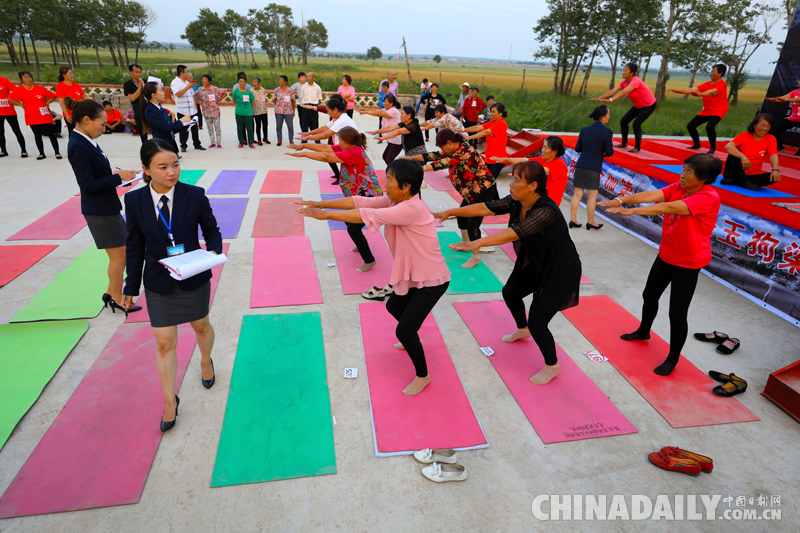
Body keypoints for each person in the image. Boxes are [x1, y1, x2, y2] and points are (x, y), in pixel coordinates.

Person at [297, 159, 449, 395]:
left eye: (390, 180)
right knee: (394, 308)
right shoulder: (396, 200)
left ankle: (423, 375)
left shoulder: (411, 209)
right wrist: (322, 202)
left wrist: (326, 214)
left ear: (406, 186)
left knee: (404, 330)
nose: (385, 184)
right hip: (412, 275)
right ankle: (412, 339)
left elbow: (364, 213)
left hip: (432, 279)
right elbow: (360, 201)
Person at [434, 161, 581, 385]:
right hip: (536, 260)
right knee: (511, 292)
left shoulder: (545, 211)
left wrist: (476, 243)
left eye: (516, 180)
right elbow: (486, 207)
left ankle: (552, 365)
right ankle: (523, 329)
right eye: (512, 178)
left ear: (532, 186)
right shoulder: (517, 200)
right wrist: (451, 211)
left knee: (539, 321)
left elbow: (514, 233)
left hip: (559, 268)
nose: (510, 184)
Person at [122, 139, 222, 432]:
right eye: (162, 167)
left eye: (175, 164)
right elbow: (134, 246)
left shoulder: (194, 194)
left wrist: (213, 252)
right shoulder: (134, 201)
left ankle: (206, 360)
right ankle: (169, 400)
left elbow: (212, 230)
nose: (171, 172)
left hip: (192, 274)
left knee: (201, 326)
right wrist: (131, 285)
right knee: (165, 342)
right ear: (146, 169)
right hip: (158, 281)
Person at [598, 153, 722, 376]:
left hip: (688, 262)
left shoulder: (708, 197)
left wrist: (632, 211)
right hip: (667, 255)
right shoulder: (680, 187)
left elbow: (669, 208)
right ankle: (644, 331)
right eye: (683, 170)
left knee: (677, 313)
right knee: (649, 295)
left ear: (703, 178)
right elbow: (656, 194)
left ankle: (673, 359)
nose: (682, 175)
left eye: (688, 173)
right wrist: (621, 200)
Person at [66, 98, 143, 317]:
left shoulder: (87, 140)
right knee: (119, 257)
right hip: (99, 210)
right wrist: (117, 179)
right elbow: (88, 185)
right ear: (87, 120)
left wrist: (122, 177)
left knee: (122, 253)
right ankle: (118, 300)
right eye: (102, 124)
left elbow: (99, 176)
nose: (104, 128)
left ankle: (111, 293)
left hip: (107, 207)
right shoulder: (78, 146)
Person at [288, 126, 383, 272]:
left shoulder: (354, 152)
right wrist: (305, 145)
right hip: (358, 196)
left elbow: (326, 156)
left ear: (347, 140)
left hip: (369, 197)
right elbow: (327, 148)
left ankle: (369, 260)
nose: (338, 142)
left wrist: (304, 154)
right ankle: (360, 243)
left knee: (353, 228)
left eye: (339, 139)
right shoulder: (350, 148)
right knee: (347, 219)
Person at [408, 128, 497, 268]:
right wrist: (411, 159)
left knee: (473, 224)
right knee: (462, 217)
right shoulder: (455, 148)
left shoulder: (464, 152)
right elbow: (435, 156)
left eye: (444, 147)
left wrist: (420, 169)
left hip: (483, 191)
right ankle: (465, 243)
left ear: (449, 143)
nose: (443, 151)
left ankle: (475, 256)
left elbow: (443, 163)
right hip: (471, 193)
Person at [592, 63, 656, 153]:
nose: (623, 72)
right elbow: (613, 91)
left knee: (636, 124)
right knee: (624, 121)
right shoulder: (625, 82)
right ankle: (624, 143)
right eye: (623, 70)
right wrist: (600, 98)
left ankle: (637, 147)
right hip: (638, 105)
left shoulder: (635, 81)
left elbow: (622, 93)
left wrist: (610, 100)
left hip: (649, 105)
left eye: (626, 70)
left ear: (632, 73)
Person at [570, 105, 614, 229]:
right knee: (592, 197)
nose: (609, 116)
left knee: (577, 194)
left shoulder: (584, 129)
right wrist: (600, 153)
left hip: (581, 165)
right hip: (593, 168)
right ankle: (590, 222)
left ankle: (573, 220)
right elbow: (609, 152)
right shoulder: (607, 132)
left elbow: (578, 148)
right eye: (608, 114)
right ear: (602, 117)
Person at [492, 136, 569, 206]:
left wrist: (519, 173)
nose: (542, 150)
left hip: (549, 205)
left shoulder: (560, 164)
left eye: (545, 148)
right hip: (538, 200)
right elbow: (525, 160)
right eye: (543, 147)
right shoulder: (542, 159)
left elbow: (541, 170)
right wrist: (505, 159)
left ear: (554, 152)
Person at [670, 64, 728, 153]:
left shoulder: (722, 84)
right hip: (707, 110)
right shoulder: (707, 84)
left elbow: (712, 92)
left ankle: (712, 148)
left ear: (720, 73)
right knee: (691, 126)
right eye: (711, 71)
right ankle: (697, 144)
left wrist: (700, 94)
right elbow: (693, 89)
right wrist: (679, 91)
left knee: (710, 127)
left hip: (719, 109)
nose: (711, 73)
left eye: (713, 71)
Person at [297, 94, 350, 183]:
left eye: (329, 110)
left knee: (337, 158)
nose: (327, 112)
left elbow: (325, 134)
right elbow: (325, 127)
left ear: (335, 108)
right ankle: (339, 175)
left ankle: (340, 176)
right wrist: (309, 133)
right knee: (330, 155)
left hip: (343, 141)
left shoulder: (341, 118)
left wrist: (308, 137)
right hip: (335, 138)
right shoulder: (336, 116)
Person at [8, 71, 61, 160]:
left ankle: (57, 153)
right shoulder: (19, 90)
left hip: (44, 114)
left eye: (30, 77)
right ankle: (41, 153)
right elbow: (10, 98)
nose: (29, 79)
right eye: (26, 77)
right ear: (21, 79)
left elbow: (52, 95)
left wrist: (46, 103)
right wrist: (21, 105)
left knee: (51, 134)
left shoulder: (39, 89)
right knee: (37, 134)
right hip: (31, 115)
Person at [721, 114, 781, 191]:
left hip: (752, 175)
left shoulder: (770, 139)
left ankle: (736, 181)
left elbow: (773, 155)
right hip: (734, 173)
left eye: (768, 126)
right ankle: (744, 182)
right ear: (754, 125)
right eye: (762, 125)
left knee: (773, 177)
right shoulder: (743, 136)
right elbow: (728, 147)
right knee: (734, 154)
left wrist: (775, 170)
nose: (765, 129)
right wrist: (743, 157)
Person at [141, 82, 192, 154]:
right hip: (161, 146)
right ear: (154, 95)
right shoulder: (150, 110)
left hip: (169, 144)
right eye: (161, 91)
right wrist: (182, 120)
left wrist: (186, 124)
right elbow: (166, 127)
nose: (164, 93)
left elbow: (171, 128)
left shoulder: (160, 109)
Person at [464, 102, 509, 179]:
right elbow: (477, 128)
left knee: (488, 183)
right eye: (491, 111)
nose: (491, 114)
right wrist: (462, 130)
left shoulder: (501, 123)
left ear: (500, 113)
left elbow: (486, 132)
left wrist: (470, 137)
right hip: (489, 158)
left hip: (498, 160)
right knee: (485, 183)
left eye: (494, 112)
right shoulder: (492, 122)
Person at [359, 94, 403, 165]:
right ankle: (392, 172)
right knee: (385, 157)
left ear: (391, 103)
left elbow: (380, 114)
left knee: (389, 159)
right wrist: (366, 110)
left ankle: (396, 172)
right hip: (391, 139)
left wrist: (367, 112)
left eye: (386, 102)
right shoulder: (388, 109)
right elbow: (378, 110)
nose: (384, 103)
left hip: (397, 141)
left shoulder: (393, 111)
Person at [170, 65, 204, 152]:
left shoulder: (187, 83)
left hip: (192, 110)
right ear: (181, 73)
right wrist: (187, 87)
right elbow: (178, 94)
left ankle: (197, 144)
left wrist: (196, 108)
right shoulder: (175, 83)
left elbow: (193, 95)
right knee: (183, 129)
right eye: (186, 72)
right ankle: (183, 145)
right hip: (182, 110)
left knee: (194, 128)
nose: (187, 73)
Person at [765, 76, 800, 154]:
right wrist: (771, 99)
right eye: (799, 80)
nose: (799, 82)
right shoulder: (794, 92)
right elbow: (781, 98)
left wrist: (787, 99)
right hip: (794, 118)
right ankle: (779, 146)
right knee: (774, 129)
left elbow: (798, 99)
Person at [194, 74, 226, 148]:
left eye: (205, 79)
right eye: (202, 79)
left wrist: (219, 99)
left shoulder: (215, 89)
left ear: (209, 81)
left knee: (217, 127)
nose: (203, 81)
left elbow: (224, 94)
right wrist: (200, 100)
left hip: (215, 112)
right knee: (210, 128)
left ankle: (218, 143)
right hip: (206, 112)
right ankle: (212, 142)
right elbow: (195, 95)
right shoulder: (200, 89)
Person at [55, 66, 86, 138]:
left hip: (80, 114)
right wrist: (67, 116)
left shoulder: (76, 85)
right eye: (70, 73)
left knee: (82, 133)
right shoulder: (60, 86)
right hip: (70, 115)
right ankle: (73, 148)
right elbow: (62, 103)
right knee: (72, 133)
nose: (72, 75)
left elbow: (84, 97)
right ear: (64, 75)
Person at [0, 74, 26, 157]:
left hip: (9, 111)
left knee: (16, 130)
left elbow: (17, 91)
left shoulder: (4, 80)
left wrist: (15, 101)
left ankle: (23, 150)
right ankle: (3, 151)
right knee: (0, 132)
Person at [123, 63, 148, 144]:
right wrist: (140, 88)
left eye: (140, 72)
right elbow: (133, 98)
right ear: (131, 72)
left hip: (149, 107)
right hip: (139, 109)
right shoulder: (128, 84)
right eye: (136, 72)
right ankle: (146, 149)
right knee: (143, 132)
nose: (139, 74)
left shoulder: (146, 81)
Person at [232, 75, 255, 149]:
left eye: (243, 81)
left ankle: (250, 142)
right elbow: (233, 101)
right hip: (239, 113)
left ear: (245, 82)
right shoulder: (236, 91)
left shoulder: (249, 92)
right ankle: (241, 142)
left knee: (250, 128)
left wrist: (246, 106)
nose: (242, 83)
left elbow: (253, 101)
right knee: (240, 128)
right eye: (240, 81)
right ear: (238, 82)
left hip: (248, 113)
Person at [299, 71, 323, 143]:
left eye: (310, 77)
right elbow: (302, 96)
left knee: (314, 123)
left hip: (314, 107)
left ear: (313, 78)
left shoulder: (317, 87)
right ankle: (304, 139)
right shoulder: (304, 87)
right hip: (305, 106)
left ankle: (317, 139)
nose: (308, 78)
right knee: (304, 123)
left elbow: (319, 98)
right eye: (307, 76)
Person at [273, 75, 296, 147]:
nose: (280, 81)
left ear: (285, 81)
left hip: (288, 111)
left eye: (281, 80)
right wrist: (277, 107)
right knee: (279, 126)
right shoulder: (276, 90)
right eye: (279, 79)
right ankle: (279, 140)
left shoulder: (290, 90)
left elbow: (293, 101)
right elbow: (275, 100)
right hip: (279, 111)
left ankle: (291, 141)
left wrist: (293, 110)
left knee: (290, 126)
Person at [251, 77, 270, 146]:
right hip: (256, 111)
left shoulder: (263, 90)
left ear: (259, 83)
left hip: (264, 110)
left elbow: (264, 98)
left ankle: (265, 138)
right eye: (253, 82)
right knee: (258, 125)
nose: (253, 83)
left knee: (265, 124)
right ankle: (259, 139)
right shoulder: (251, 91)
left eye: (255, 82)